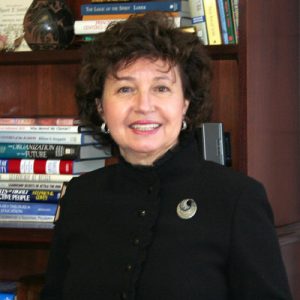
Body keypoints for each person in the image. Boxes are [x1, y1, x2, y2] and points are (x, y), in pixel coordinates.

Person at [40, 13, 292, 300]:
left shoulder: (237, 199)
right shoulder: (79, 197)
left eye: (161, 88)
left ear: (185, 102)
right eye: (125, 89)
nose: (143, 106)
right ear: (100, 106)